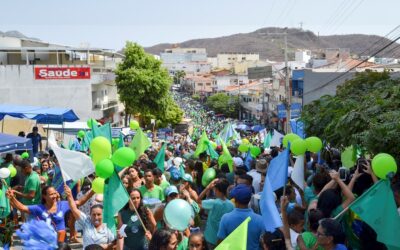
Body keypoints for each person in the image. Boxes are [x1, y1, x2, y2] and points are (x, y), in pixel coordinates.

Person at [7, 185, 94, 243]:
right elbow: (22, 207)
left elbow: (80, 202)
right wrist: (12, 198)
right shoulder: (38, 208)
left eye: (55, 193)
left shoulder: (62, 204)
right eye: (51, 194)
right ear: (44, 196)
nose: (54, 196)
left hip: (61, 242)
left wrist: (93, 191)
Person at [65, 185, 115, 249]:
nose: (96, 217)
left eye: (99, 214)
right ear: (90, 215)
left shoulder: (108, 227)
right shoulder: (86, 222)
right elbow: (74, 209)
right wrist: (69, 194)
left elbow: (113, 243)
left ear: (103, 215)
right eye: (94, 214)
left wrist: (102, 247)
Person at [217, 184, 265, 250]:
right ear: (249, 199)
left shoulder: (225, 218)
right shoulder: (260, 220)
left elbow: (221, 241)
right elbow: (264, 242)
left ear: (235, 200)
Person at [198, 179, 234, 248]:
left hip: (210, 238)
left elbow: (198, 200)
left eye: (215, 190)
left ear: (217, 190)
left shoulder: (213, 202)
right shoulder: (231, 205)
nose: (214, 191)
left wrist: (207, 188)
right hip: (223, 239)